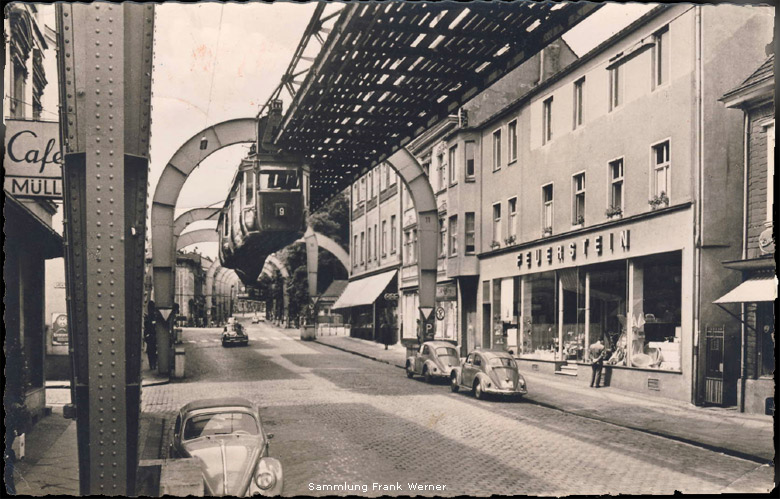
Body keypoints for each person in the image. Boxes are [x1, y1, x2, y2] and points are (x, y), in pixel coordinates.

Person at [144, 302, 158, 371]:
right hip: (154, 336)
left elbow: (146, 327)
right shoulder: (155, 316)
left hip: (150, 336)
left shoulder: (147, 317)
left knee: (150, 351)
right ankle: (154, 364)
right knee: (154, 351)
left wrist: (146, 335)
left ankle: (152, 365)